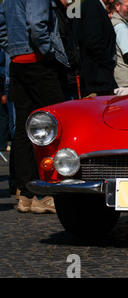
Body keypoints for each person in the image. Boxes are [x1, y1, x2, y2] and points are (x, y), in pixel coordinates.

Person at [0, 0, 70, 213]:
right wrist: (46, 52)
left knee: (23, 128)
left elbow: (2, 27)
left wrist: (14, 49)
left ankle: (27, 194)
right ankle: (45, 191)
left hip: (19, 61)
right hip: (38, 60)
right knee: (56, 124)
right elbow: (37, 24)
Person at [76, 0, 118, 97]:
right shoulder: (92, 6)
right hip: (96, 80)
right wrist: (108, 63)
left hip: (99, 78)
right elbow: (93, 42)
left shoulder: (95, 6)